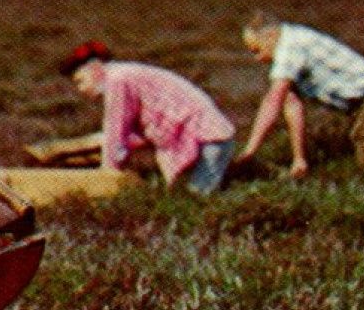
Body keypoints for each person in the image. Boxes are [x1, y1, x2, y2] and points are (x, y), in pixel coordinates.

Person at [235, 12, 364, 176]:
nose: (256, 58)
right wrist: (299, 159)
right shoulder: (287, 49)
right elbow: (292, 105)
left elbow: (273, 101)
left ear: (271, 36)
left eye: (257, 50)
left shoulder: (290, 47)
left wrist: (249, 151)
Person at [58, 40, 237, 195]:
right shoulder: (124, 74)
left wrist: (108, 172)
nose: (81, 89)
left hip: (207, 136)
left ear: (95, 69)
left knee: (197, 195)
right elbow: (132, 135)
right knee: (184, 194)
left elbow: (116, 128)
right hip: (202, 135)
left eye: (80, 81)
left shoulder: (118, 80)